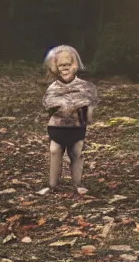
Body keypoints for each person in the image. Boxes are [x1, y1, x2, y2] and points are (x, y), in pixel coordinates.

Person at [42, 45, 98, 194]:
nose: (65, 68)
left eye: (67, 64)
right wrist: (60, 105)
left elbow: (89, 104)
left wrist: (86, 112)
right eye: (61, 65)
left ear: (74, 65)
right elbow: (48, 104)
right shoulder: (53, 87)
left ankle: (77, 185)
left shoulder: (85, 86)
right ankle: (52, 185)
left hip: (77, 126)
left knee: (76, 153)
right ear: (55, 67)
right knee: (55, 150)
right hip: (57, 127)